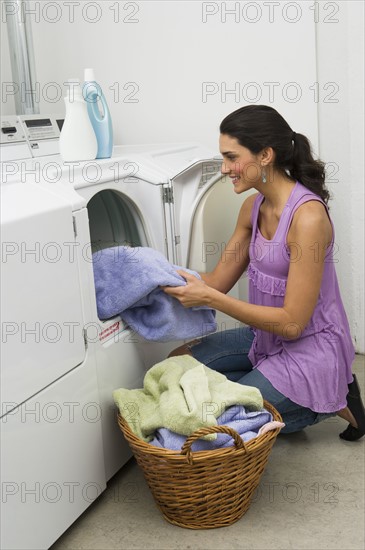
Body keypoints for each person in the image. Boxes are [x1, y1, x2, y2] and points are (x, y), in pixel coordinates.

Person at [163, 105, 365, 441]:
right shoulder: (251, 208)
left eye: (231, 157)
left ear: (266, 155)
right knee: (176, 364)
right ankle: (288, 388)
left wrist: (210, 298)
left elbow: (291, 323)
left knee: (217, 421)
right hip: (265, 338)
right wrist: (157, 277)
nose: (225, 168)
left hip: (310, 347)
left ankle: (330, 395)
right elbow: (216, 282)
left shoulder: (308, 218)